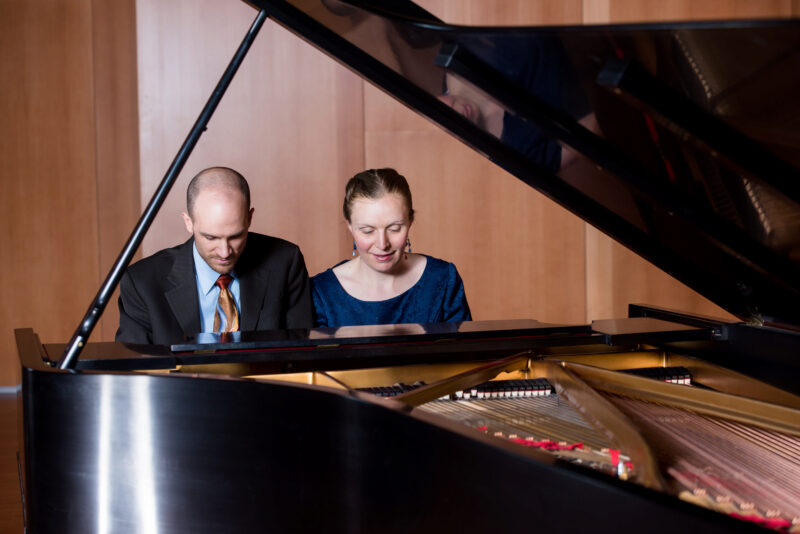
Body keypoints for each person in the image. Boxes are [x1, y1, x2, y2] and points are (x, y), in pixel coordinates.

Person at [116, 167, 313, 344]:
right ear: (188, 222)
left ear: (250, 218)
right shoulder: (142, 282)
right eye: (211, 237)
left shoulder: (285, 262)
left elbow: (299, 355)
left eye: (236, 236)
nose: (225, 252)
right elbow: (135, 373)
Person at [311, 168, 471, 327]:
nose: (382, 244)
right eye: (368, 231)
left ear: (410, 221)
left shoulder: (443, 278)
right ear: (350, 226)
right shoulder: (322, 292)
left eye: (394, 228)